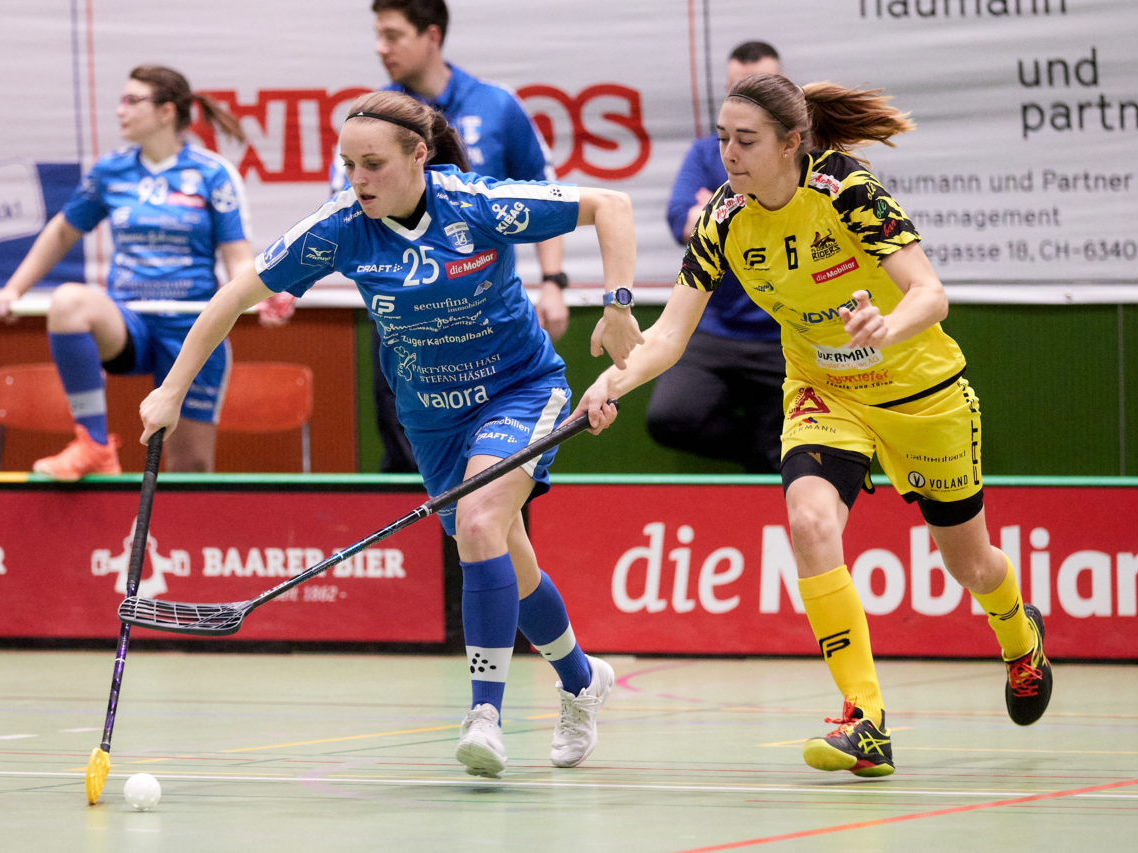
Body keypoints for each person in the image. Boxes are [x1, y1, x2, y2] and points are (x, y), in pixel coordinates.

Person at [139, 91, 643, 777]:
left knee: (477, 521)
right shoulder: (342, 227)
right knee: (504, 549)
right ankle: (583, 682)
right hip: (431, 416)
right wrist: (170, 391)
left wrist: (616, 306)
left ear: (418, 155)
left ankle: (486, 716)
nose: (357, 179)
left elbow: (609, 206)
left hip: (521, 389)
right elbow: (234, 296)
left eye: (372, 163)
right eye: (348, 164)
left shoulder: (478, 204)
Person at [576, 73, 1053, 778]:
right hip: (824, 393)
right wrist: (611, 382)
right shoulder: (723, 220)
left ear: (792, 142)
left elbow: (932, 294)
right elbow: (670, 338)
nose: (728, 156)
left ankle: (1021, 640)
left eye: (746, 141)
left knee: (969, 563)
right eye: (721, 140)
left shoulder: (847, 191)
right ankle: (866, 720)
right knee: (807, 521)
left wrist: (886, 326)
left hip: (920, 392)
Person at [0, 64, 294, 479]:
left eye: (132, 101)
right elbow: (61, 232)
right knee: (68, 303)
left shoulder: (212, 173)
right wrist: (12, 290)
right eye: (120, 100)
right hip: (129, 323)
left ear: (167, 112)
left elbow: (237, 257)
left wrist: (266, 292)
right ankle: (93, 446)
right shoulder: (110, 171)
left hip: (193, 328)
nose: (120, 110)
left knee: (191, 468)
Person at [333, 0, 570, 473]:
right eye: (378, 35)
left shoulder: (497, 105)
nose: (381, 48)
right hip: (407, 331)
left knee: (500, 477)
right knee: (412, 469)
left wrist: (553, 281)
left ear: (432, 36)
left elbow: (546, 196)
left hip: (489, 323)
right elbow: (346, 211)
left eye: (393, 35)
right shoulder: (370, 123)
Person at [649, 40, 785, 472]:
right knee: (668, 417)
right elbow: (681, 220)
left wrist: (719, 210)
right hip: (715, 329)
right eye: (735, 93)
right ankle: (760, 453)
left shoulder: (806, 159)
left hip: (788, 334)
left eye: (759, 93)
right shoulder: (708, 154)